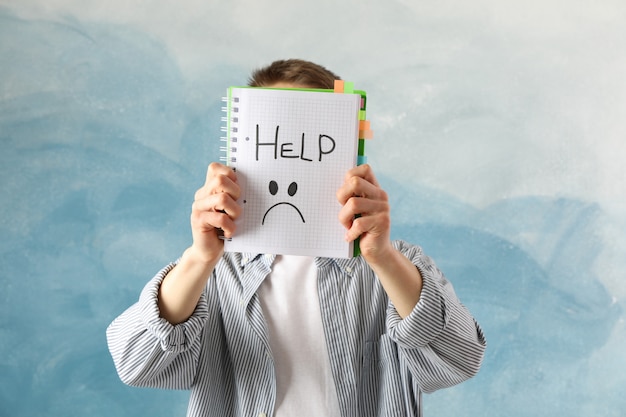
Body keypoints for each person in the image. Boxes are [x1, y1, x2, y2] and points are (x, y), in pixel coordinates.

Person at [106, 59, 486, 417]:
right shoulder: (214, 271)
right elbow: (136, 363)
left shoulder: (396, 264)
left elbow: (460, 358)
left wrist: (381, 256)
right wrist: (198, 258)